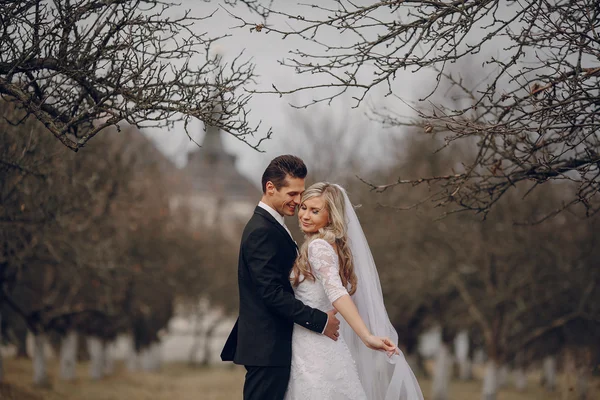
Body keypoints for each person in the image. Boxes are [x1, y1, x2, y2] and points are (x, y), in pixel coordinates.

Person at [286, 182, 424, 400]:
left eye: (315, 211)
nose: (305, 215)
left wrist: (367, 337)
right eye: (304, 207)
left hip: (312, 347)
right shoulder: (330, 245)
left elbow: (336, 292)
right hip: (323, 342)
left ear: (330, 217)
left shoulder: (318, 247)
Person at [220, 155, 341, 400]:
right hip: (267, 349)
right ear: (270, 188)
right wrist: (319, 320)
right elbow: (271, 293)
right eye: (292, 194)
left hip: (276, 347)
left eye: (301, 193)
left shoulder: (273, 225)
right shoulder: (261, 231)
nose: (298, 201)